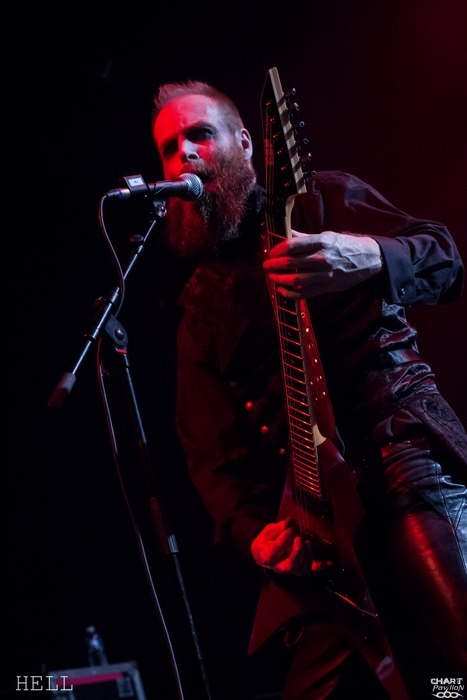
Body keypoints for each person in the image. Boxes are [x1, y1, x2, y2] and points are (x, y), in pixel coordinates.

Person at [149, 77, 467, 699]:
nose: (183, 153)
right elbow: (212, 460)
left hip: (402, 457)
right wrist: (256, 535)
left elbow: (445, 260)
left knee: (451, 659)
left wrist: (369, 254)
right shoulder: (199, 310)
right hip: (320, 520)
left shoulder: (321, 200)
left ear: (245, 143)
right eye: (168, 147)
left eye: (199, 135)